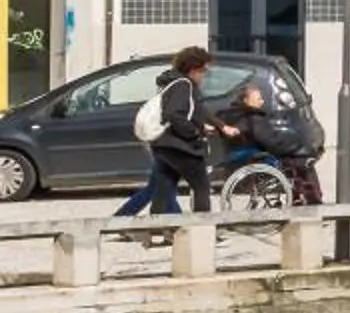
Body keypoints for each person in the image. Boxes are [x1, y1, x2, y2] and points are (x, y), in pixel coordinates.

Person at [114, 45, 213, 217]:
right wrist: (194, 132)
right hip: (180, 146)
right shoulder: (183, 85)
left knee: (163, 187)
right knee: (201, 186)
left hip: (163, 144)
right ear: (193, 69)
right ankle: (202, 227)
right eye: (203, 71)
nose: (204, 76)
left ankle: (158, 225)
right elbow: (174, 114)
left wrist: (202, 126)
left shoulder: (171, 82)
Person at [211, 77, 324, 205]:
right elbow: (269, 140)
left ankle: (300, 196)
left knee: (300, 160)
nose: (262, 101)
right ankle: (314, 199)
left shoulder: (241, 115)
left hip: (255, 150)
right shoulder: (253, 118)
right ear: (246, 100)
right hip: (263, 153)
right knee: (303, 162)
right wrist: (293, 146)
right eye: (258, 99)